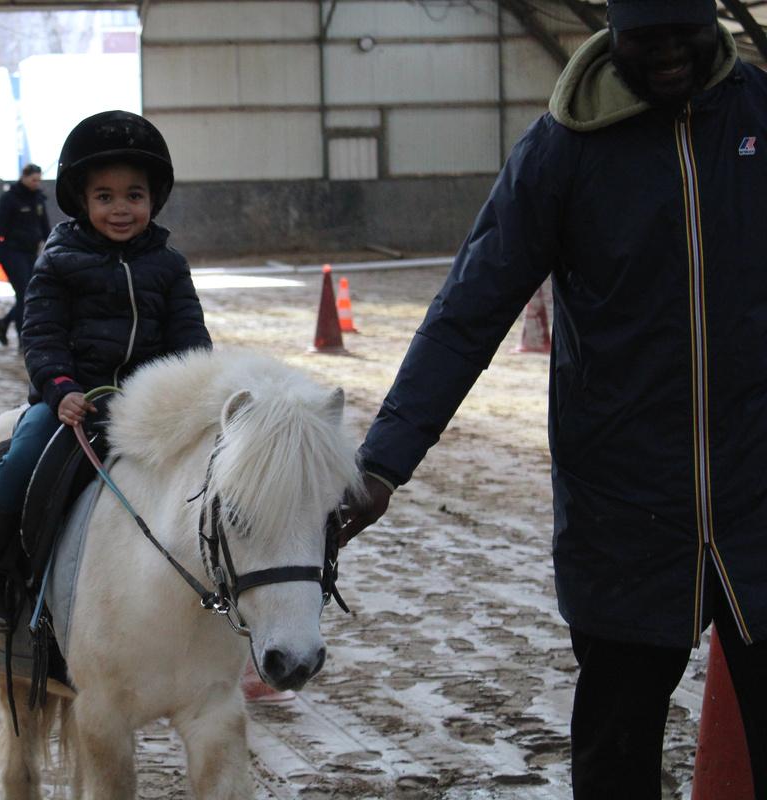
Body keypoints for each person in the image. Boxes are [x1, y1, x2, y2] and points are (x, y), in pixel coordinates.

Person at [340, 0, 767, 796]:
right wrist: (383, 463)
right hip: (623, 511)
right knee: (615, 757)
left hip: (758, 495)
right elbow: (469, 311)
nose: (668, 53)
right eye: (646, 37)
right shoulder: (563, 150)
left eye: (683, 31)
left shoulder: (757, 119)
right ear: (613, 30)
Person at [0, 110, 212, 632]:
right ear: (83, 201)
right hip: (74, 404)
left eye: (134, 195)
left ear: (153, 199)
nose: (121, 209)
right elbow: (41, 335)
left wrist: (197, 393)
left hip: (149, 407)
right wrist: (60, 389)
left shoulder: (170, 266)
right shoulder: (58, 262)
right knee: (22, 460)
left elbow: (191, 340)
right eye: (105, 196)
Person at [0, 163, 51, 347]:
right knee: (24, 294)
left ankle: (4, 323)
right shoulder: (9, 199)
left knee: (29, 295)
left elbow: (44, 226)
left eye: (39, 180)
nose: (36, 183)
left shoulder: (38, 198)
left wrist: (52, 248)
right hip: (12, 253)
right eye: (33, 180)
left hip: (31, 253)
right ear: (24, 177)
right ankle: (23, 340)